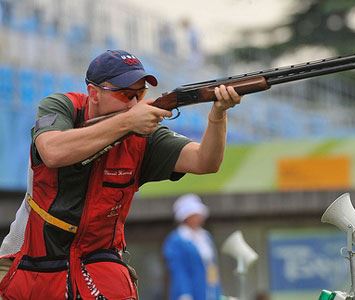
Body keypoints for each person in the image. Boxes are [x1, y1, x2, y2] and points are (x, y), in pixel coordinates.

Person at [0, 49, 241, 299]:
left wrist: (218, 115)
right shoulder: (63, 107)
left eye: (141, 94)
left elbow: (205, 161)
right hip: (34, 262)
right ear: (94, 93)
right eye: (127, 94)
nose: (135, 104)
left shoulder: (143, 135)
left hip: (99, 262)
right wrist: (127, 122)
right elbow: (53, 152)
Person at [163, 193, 221, 300]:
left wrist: (215, 289)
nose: (198, 218)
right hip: (189, 292)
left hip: (209, 291)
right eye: (194, 215)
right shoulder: (176, 240)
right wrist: (184, 294)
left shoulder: (206, 236)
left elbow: (212, 265)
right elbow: (178, 270)